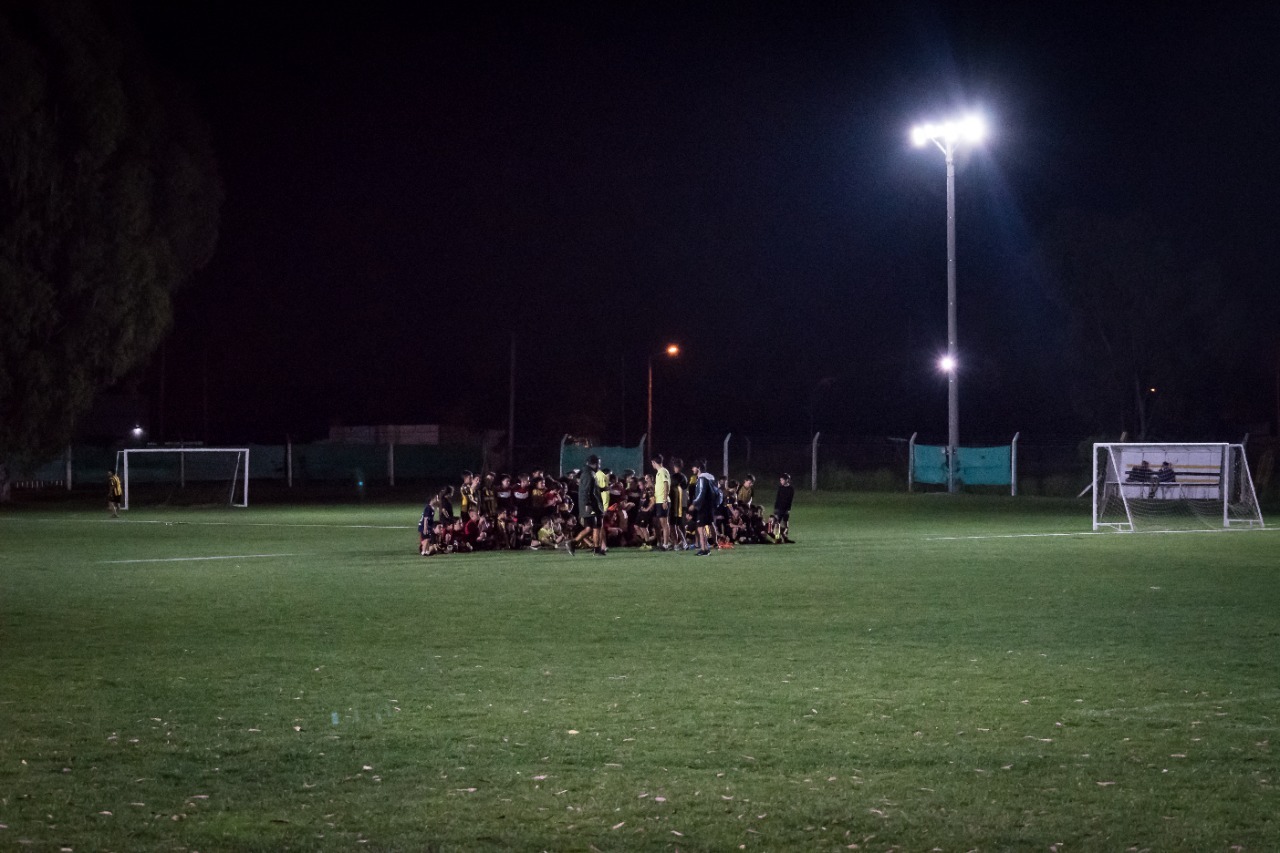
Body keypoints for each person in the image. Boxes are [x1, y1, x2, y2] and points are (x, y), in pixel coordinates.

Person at [573, 454, 605, 556]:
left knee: (595, 527)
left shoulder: (589, 472)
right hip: (591, 505)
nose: (599, 466)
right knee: (593, 527)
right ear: (595, 463)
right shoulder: (588, 474)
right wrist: (587, 503)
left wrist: (603, 489)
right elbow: (586, 490)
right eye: (599, 463)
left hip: (592, 504)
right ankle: (572, 543)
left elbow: (592, 489)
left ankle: (597, 549)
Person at [688, 460, 719, 556]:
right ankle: (708, 547)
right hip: (710, 506)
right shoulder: (711, 478)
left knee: (700, 528)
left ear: (698, 468)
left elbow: (701, 492)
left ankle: (704, 549)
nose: (692, 469)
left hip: (703, 507)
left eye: (693, 467)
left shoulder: (702, 479)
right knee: (707, 526)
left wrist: (694, 503)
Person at [651, 453, 673, 551]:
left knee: (665, 523)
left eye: (652, 463)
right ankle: (664, 544)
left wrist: (664, 500)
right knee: (661, 523)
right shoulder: (659, 472)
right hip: (659, 500)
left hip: (663, 501)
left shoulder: (663, 471)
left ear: (654, 462)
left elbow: (666, 484)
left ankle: (666, 545)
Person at [772, 472, 795, 543]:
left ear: (787, 480)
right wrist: (775, 508)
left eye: (782, 480)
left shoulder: (791, 489)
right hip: (779, 508)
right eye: (780, 480)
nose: (781, 481)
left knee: (786, 523)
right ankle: (777, 538)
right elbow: (777, 498)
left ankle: (785, 537)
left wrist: (788, 509)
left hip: (786, 509)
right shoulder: (780, 488)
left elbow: (790, 500)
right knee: (777, 523)